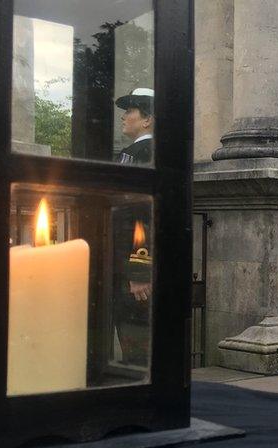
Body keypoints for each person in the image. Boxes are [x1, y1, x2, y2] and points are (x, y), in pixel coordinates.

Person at [113, 88, 154, 364]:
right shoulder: (134, 152)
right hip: (126, 266)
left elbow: (144, 213)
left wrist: (140, 269)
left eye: (130, 111)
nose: (124, 117)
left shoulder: (144, 152)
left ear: (147, 119)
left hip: (134, 271)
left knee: (137, 350)